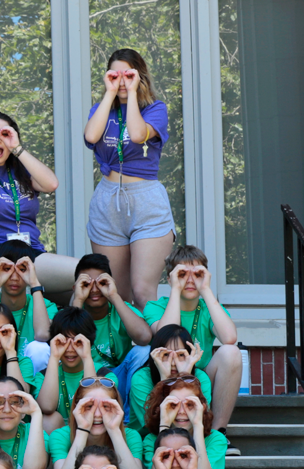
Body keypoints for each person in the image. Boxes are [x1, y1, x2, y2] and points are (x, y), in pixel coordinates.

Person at [83, 49, 174, 309]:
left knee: (143, 292)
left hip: (145, 200)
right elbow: (91, 136)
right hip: (108, 199)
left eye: (128, 75)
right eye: (115, 75)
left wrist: (132, 93)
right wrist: (111, 93)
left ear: (140, 75)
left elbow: (137, 134)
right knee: (116, 297)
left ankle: (161, 350)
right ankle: (126, 351)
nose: (122, 81)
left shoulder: (156, 109)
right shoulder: (100, 109)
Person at [0, 112, 72, 291]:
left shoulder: (20, 169)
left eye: (5, 134)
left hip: (33, 249)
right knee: (86, 273)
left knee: (81, 293)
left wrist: (17, 148)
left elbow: (51, 184)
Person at [146, 246, 242, 430]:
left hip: (201, 377)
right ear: (170, 278)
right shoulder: (155, 307)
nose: (190, 280)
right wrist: (176, 289)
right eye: (182, 274)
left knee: (231, 353)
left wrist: (205, 289)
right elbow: (166, 337)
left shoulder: (209, 308)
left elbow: (229, 338)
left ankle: (217, 432)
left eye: (197, 274)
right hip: (166, 374)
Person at [50, 379, 144, 469]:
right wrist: (83, 430)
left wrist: (114, 430)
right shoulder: (60, 436)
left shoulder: (131, 436)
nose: (98, 414)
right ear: (76, 408)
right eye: (89, 406)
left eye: (106, 406)